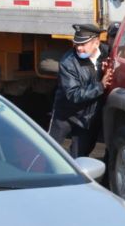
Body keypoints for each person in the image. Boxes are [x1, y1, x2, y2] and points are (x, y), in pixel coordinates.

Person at [49, 24, 114, 158]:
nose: (79, 48)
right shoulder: (68, 62)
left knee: (81, 156)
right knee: (49, 149)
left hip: (88, 118)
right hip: (66, 114)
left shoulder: (108, 54)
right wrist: (100, 86)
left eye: (83, 44)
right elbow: (73, 94)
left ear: (96, 43)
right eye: (76, 44)